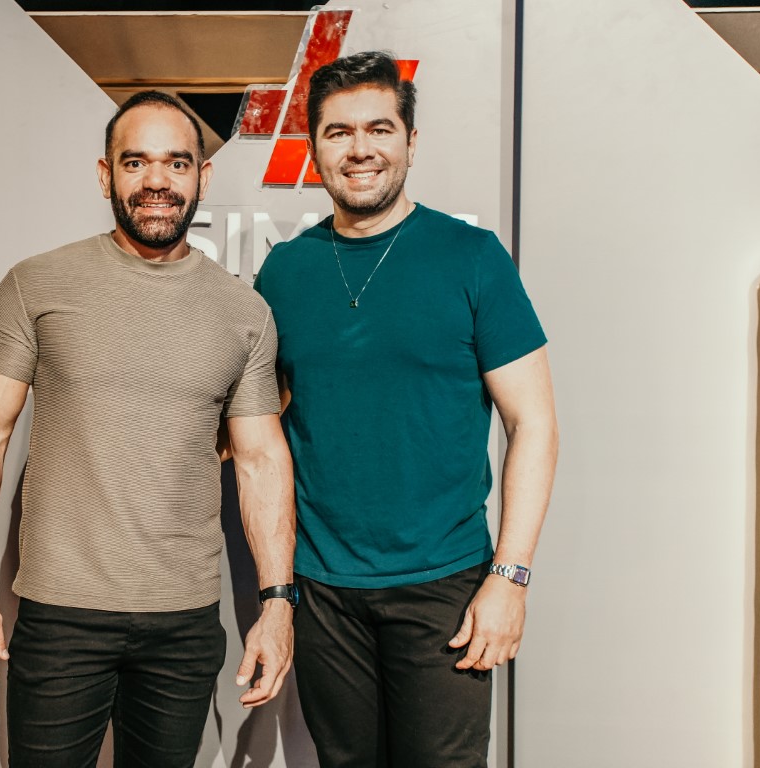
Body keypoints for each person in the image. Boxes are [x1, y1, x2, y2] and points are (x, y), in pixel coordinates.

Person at [0, 90, 297, 768]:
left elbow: (260, 461)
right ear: (106, 175)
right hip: (60, 616)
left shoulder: (243, 312)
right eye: (136, 162)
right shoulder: (36, 284)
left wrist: (277, 604)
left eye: (177, 163)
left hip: (183, 624)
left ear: (202, 177)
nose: (157, 181)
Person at [254, 52, 558, 767]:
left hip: (446, 585)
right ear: (313, 146)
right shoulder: (285, 271)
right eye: (338, 132)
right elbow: (259, 426)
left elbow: (534, 424)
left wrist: (510, 578)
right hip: (323, 589)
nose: (360, 149)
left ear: (411, 142)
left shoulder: (472, 256)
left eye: (379, 129)